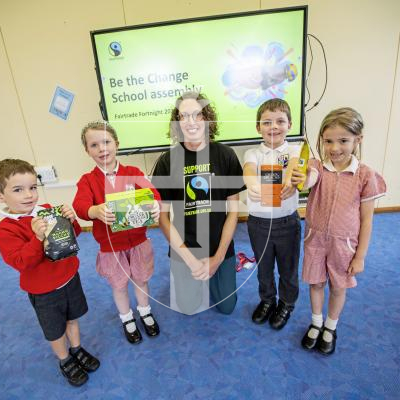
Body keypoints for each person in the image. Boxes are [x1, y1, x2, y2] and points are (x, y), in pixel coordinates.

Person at [0, 159, 99, 387]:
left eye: (32, 187)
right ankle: (65, 359)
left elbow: (72, 236)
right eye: (18, 190)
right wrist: (37, 238)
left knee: (72, 318)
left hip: (69, 278)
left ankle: (77, 349)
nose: (29, 195)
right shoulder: (6, 228)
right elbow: (20, 262)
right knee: (55, 330)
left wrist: (71, 220)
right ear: (0, 196)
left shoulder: (47, 210)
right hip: (43, 291)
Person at [299, 108, 386, 355]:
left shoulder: (365, 176)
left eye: (343, 140)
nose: (335, 148)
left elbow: (367, 220)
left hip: (344, 244)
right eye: (328, 141)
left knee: (338, 287)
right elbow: (307, 180)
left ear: (358, 139)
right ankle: (316, 323)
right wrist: (300, 177)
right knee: (315, 283)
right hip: (315, 239)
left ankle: (330, 326)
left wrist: (360, 256)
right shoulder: (317, 166)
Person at [151, 91, 244, 315]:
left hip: (219, 246)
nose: (191, 122)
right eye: (184, 116)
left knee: (227, 307)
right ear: (177, 122)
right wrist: (191, 261)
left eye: (197, 115)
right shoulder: (167, 161)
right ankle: (194, 273)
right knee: (188, 307)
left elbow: (233, 212)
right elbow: (162, 219)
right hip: (186, 248)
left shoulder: (226, 155)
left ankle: (214, 271)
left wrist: (219, 257)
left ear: (207, 119)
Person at [73, 122, 162, 345]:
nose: (102, 149)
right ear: (87, 150)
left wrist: (155, 204)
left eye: (106, 142)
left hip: (139, 242)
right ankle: (127, 318)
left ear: (117, 144)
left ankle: (145, 311)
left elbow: (153, 195)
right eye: (94, 145)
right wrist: (94, 210)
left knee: (141, 280)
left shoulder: (133, 172)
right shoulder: (87, 180)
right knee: (119, 285)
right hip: (111, 247)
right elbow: (80, 206)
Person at [243, 98, 303, 329]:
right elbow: (248, 171)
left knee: (288, 269)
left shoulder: (295, 150)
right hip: (258, 223)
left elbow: (294, 166)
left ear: (289, 125)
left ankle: (286, 303)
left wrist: (290, 180)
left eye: (280, 121)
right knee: (264, 267)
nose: (273, 126)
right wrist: (251, 184)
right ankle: (267, 300)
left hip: (287, 223)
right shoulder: (252, 153)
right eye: (267, 122)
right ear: (258, 127)